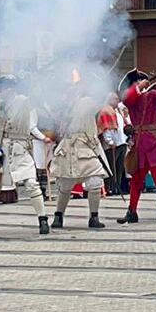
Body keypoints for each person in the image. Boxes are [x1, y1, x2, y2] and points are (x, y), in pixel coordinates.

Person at [0, 78, 49, 236]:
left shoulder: (24, 100)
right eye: (4, 87)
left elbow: (38, 97)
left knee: (31, 184)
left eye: (10, 86)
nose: (8, 90)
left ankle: (43, 220)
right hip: (3, 149)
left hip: (21, 148)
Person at [118, 70, 156, 224]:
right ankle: (132, 210)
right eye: (137, 82)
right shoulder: (130, 97)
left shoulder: (151, 96)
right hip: (139, 144)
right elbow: (127, 99)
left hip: (153, 142)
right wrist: (139, 87)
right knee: (136, 180)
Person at [48, 94, 108, 230]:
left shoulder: (87, 101)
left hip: (87, 146)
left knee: (95, 182)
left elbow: (99, 103)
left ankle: (94, 217)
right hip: (69, 146)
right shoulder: (65, 102)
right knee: (65, 185)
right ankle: (59, 216)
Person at [100, 92, 129, 195]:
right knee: (111, 167)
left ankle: (117, 187)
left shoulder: (118, 112)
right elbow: (106, 127)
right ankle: (109, 188)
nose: (117, 101)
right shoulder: (106, 111)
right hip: (112, 145)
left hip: (122, 142)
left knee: (119, 167)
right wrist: (109, 141)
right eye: (115, 99)